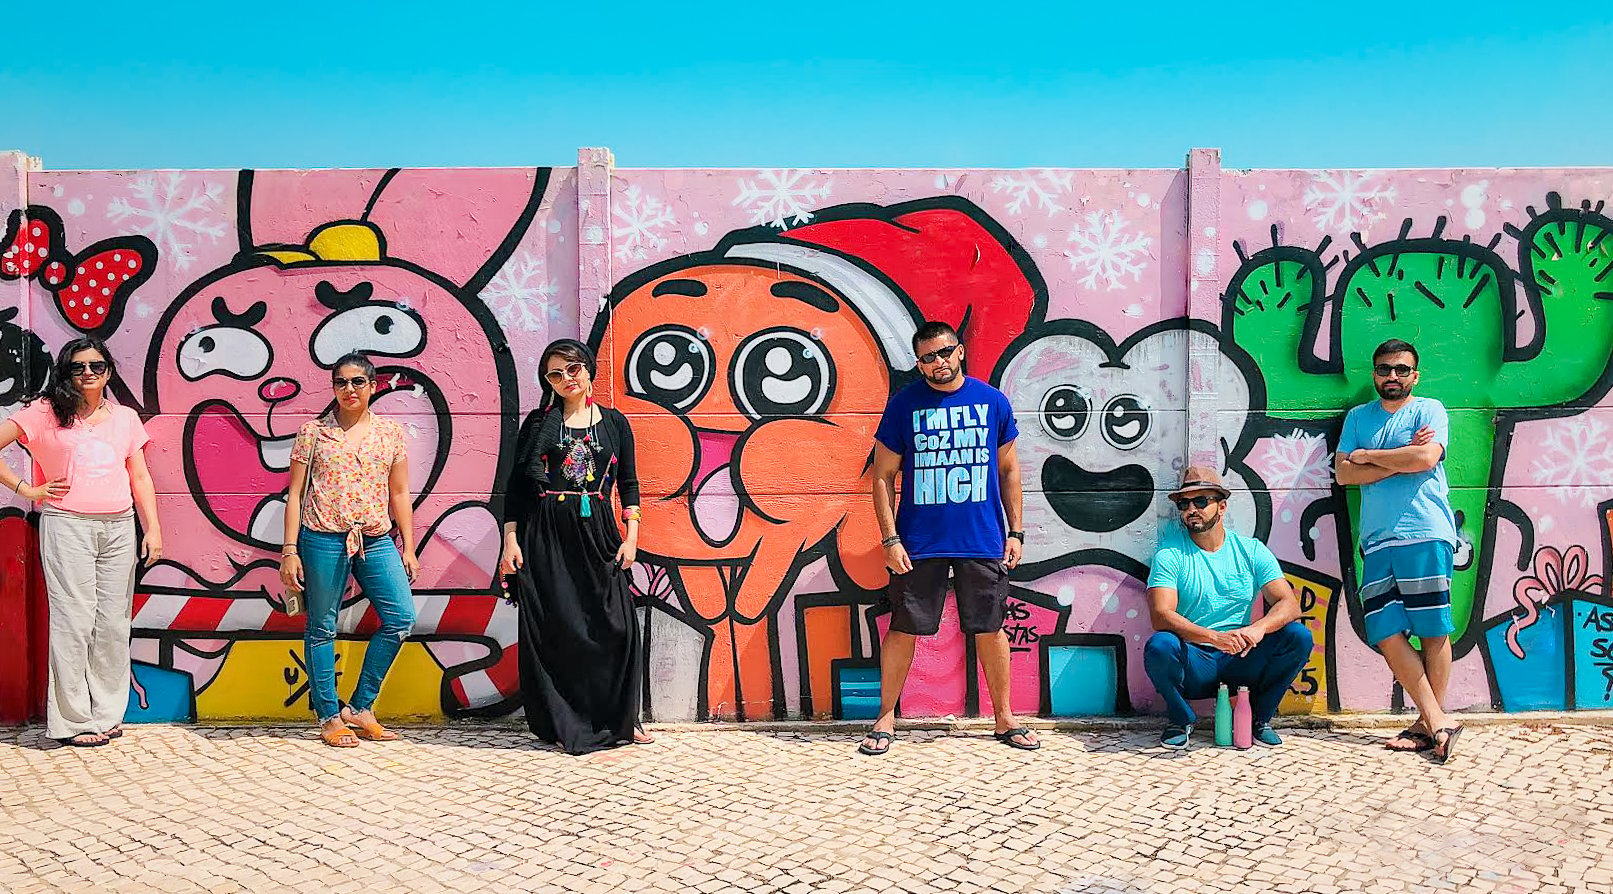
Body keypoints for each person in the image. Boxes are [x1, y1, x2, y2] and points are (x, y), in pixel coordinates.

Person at [860, 321, 1036, 756]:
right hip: (919, 542)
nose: (937, 363)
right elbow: (881, 477)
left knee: (990, 627)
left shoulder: (993, 402)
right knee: (904, 626)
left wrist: (1015, 531)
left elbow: (1009, 470)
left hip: (983, 538)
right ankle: (886, 716)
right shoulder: (904, 407)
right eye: (926, 358)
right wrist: (889, 538)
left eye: (944, 353)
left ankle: (1004, 717)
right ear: (918, 363)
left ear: (960, 352)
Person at [0, 337, 161, 747]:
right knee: (73, 623)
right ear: (66, 371)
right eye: (78, 367)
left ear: (108, 370)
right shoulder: (45, 413)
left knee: (111, 624)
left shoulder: (125, 417)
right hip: (68, 526)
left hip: (120, 527)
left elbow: (139, 476)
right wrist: (26, 489)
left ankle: (107, 715)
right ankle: (73, 722)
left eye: (96, 366)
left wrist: (153, 528)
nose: (88, 373)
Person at [499, 338, 652, 754]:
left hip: (599, 529)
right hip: (546, 531)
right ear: (546, 380)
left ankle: (621, 718)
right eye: (555, 373)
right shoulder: (538, 423)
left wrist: (632, 537)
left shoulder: (615, 423)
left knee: (616, 627)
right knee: (559, 628)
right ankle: (561, 720)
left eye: (573, 369)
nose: (566, 379)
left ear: (588, 371)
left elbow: (630, 484)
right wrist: (510, 541)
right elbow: (515, 488)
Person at [279, 353, 419, 748]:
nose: (349, 389)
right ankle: (327, 715)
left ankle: (360, 707)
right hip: (322, 538)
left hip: (375, 538)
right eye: (341, 382)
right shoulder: (313, 433)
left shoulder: (390, 433)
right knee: (321, 626)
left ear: (374, 385)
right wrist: (289, 550)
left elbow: (400, 492)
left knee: (401, 618)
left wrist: (409, 546)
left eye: (358, 382)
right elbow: (294, 494)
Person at [1335, 338, 1464, 763]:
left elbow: (1427, 459)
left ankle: (1426, 726)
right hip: (1377, 540)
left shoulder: (1430, 409)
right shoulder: (1357, 416)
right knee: (1387, 635)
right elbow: (1343, 473)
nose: (1392, 376)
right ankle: (1438, 721)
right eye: (1384, 369)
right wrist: (1401, 456)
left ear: (1415, 374)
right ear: (1374, 374)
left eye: (1401, 369)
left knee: (1432, 631)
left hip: (1426, 533)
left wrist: (1370, 456)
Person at [1143, 466, 1310, 749]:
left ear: (1221, 507)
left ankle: (1258, 719)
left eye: (1200, 502)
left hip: (1242, 655)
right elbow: (1161, 615)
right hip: (1196, 660)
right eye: (1184, 504)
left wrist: (1258, 630)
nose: (1191, 510)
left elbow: (1289, 605)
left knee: (1299, 637)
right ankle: (1180, 718)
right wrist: (1214, 638)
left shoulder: (1251, 550)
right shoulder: (1170, 555)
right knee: (1160, 645)